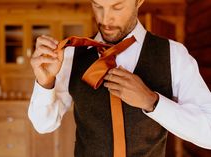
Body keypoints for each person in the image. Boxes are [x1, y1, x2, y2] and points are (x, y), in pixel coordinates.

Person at [28, 0, 211, 156]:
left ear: (139, 1)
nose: (105, 19)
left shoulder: (174, 55)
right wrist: (45, 82)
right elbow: (44, 125)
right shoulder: (70, 55)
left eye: (117, 7)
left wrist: (152, 102)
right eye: (98, 5)